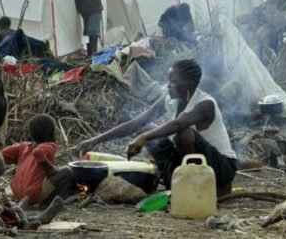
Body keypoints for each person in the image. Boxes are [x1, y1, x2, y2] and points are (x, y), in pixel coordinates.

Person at [76, 59, 237, 196]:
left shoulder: (205, 104)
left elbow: (178, 124)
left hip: (220, 166)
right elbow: (137, 122)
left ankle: (198, 188)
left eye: (174, 82)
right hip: (190, 160)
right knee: (148, 131)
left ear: (190, 84)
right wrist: (95, 140)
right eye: (169, 80)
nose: (168, 86)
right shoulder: (170, 99)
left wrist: (143, 138)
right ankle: (178, 180)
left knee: (183, 134)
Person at [0, 147, 65, 230]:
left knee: (12, 209)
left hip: (0, 210)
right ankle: (26, 224)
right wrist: (6, 209)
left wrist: (8, 206)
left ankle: (26, 214)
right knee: (4, 218)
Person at [1, 114, 74, 207]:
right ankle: (47, 205)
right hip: (33, 194)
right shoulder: (49, 146)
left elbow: (3, 154)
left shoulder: (23, 146)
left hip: (17, 192)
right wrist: (51, 168)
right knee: (67, 172)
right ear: (52, 132)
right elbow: (38, 152)